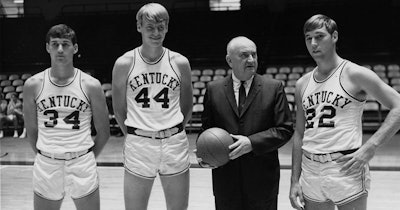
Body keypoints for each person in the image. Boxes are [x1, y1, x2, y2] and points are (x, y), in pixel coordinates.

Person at [289, 14, 400, 210]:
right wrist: (294, 180)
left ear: (334, 36)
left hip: (345, 166)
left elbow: (398, 106)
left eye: (319, 36)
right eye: (308, 38)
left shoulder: (354, 73)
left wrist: (371, 147)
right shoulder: (302, 83)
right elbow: (299, 134)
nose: (313, 43)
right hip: (310, 168)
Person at [111, 3, 193, 210]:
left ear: (167, 27)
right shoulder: (124, 63)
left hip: (174, 142)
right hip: (139, 144)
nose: (156, 33)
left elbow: (187, 106)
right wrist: (134, 134)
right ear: (139, 27)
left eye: (161, 27)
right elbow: (119, 110)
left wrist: (171, 130)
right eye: (150, 27)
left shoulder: (180, 62)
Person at [200, 36, 294, 210]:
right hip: (225, 183)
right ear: (229, 60)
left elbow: (285, 129)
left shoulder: (273, 87)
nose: (251, 60)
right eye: (244, 55)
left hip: (262, 183)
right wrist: (205, 154)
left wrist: (251, 143)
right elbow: (206, 130)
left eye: (254, 55)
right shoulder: (213, 90)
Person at [23, 24, 110, 210]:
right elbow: (31, 131)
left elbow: (104, 132)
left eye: (65, 44)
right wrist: (46, 152)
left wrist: (88, 158)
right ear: (47, 47)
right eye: (54, 44)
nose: (60, 49)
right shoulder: (33, 85)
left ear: (75, 48)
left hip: (82, 161)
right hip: (47, 163)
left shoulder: (91, 85)